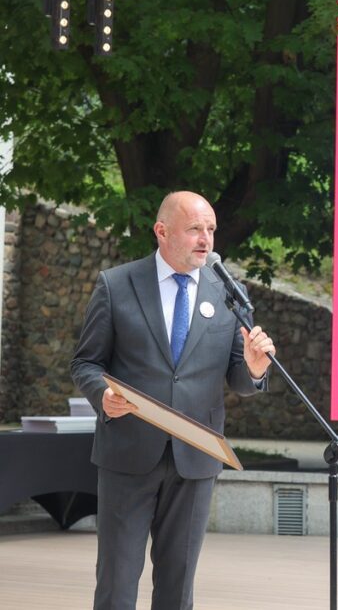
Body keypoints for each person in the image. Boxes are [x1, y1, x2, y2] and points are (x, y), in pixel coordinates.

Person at [70, 191, 276, 610]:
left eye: (211, 230)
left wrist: (255, 369)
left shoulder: (228, 295)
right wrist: (103, 396)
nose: (206, 240)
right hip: (127, 454)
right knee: (116, 582)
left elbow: (238, 378)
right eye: (195, 229)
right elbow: (85, 363)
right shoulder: (117, 284)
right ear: (162, 232)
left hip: (196, 458)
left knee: (178, 587)